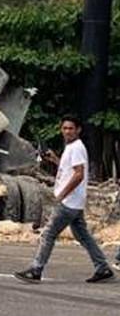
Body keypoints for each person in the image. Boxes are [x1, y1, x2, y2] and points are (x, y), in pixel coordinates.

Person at [15, 115, 114, 284]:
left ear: (78, 130)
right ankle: (102, 267)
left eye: (71, 128)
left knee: (48, 234)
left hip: (68, 202)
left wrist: (62, 194)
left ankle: (36, 269)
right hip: (74, 202)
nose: (67, 131)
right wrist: (55, 160)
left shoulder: (76, 147)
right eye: (65, 128)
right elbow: (70, 169)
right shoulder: (72, 147)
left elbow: (79, 174)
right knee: (83, 236)